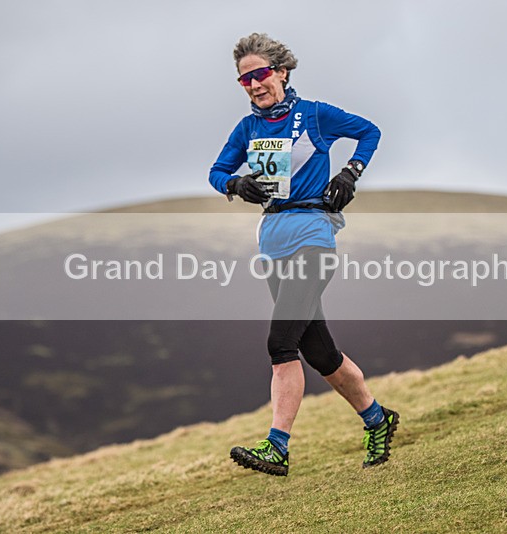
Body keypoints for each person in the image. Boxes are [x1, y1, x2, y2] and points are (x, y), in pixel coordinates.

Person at [209, 33, 398, 477]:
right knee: (320, 352)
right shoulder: (247, 129)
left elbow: (369, 131)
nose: (254, 85)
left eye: (259, 74)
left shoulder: (314, 115)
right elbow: (216, 172)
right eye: (243, 80)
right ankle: (378, 419)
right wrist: (235, 185)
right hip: (272, 239)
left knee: (281, 343)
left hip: (314, 234)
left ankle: (277, 446)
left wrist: (351, 173)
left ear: (281, 72)